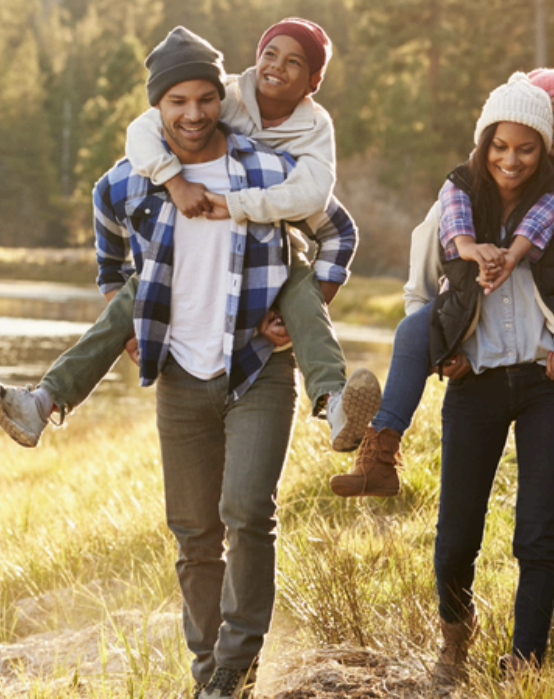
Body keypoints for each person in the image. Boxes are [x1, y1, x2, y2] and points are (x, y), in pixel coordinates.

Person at [83, 28, 360, 699]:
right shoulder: (131, 179)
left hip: (257, 364)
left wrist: (302, 308)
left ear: (221, 100)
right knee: (194, 534)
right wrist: (127, 316)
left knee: (247, 510)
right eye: (177, 100)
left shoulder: (268, 169)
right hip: (179, 370)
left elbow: (337, 230)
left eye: (205, 98)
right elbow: (110, 255)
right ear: (158, 107)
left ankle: (236, 667)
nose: (194, 113)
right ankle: (211, 675)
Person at [0, 19, 380, 455]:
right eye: (270, 54)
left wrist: (300, 305)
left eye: (294, 61)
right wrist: (173, 181)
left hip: (275, 252)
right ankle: (40, 403)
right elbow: (144, 130)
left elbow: (321, 201)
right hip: (184, 254)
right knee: (134, 296)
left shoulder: (311, 132)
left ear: (314, 81)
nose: (276, 67)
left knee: (300, 289)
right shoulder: (223, 97)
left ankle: (334, 403)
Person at [395, 74, 554, 682]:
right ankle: (455, 641)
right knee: (455, 535)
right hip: (474, 386)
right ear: (487, 142)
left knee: (537, 536)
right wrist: (443, 349)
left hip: (545, 390)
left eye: (528, 146)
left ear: (541, 149)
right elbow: (417, 294)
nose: (514, 157)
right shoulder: (454, 209)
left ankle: (526, 662)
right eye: (503, 145)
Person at [330, 68, 554, 498]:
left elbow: (551, 214)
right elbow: (431, 257)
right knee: (411, 330)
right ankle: (381, 450)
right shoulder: (463, 187)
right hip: (475, 347)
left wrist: (513, 254)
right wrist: (446, 343)